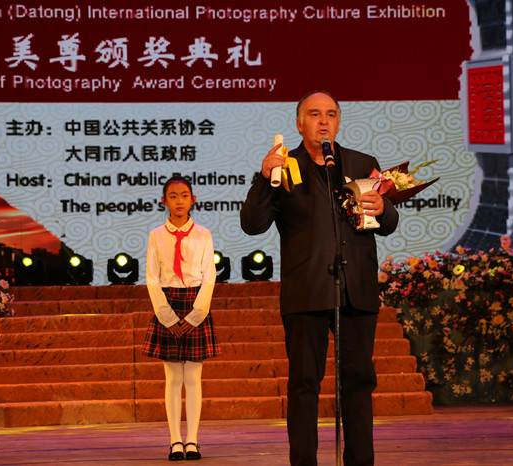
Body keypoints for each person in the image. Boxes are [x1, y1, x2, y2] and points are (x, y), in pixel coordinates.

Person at [240, 91, 399, 465]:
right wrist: (264, 178)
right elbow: (252, 224)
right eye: (314, 114)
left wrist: (384, 207)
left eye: (330, 114)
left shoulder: (363, 163)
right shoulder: (283, 167)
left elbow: (387, 223)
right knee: (304, 384)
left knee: (359, 382)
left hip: (356, 288)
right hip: (307, 290)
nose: (323, 120)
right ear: (299, 124)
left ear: (338, 122)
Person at [142, 175, 221, 461]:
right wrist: (166, 316)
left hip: (195, 303)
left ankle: (193, 441)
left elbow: (209, 276)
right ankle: (175, 440)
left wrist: (197, 314)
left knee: (194, 378)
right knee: (173, 378)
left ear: (193, 200)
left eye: (184, 195)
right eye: (173, 196)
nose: (179, 201)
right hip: (168, 303)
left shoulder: (203, 234)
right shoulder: (156, 235)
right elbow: (152, 277)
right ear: (164, 201)